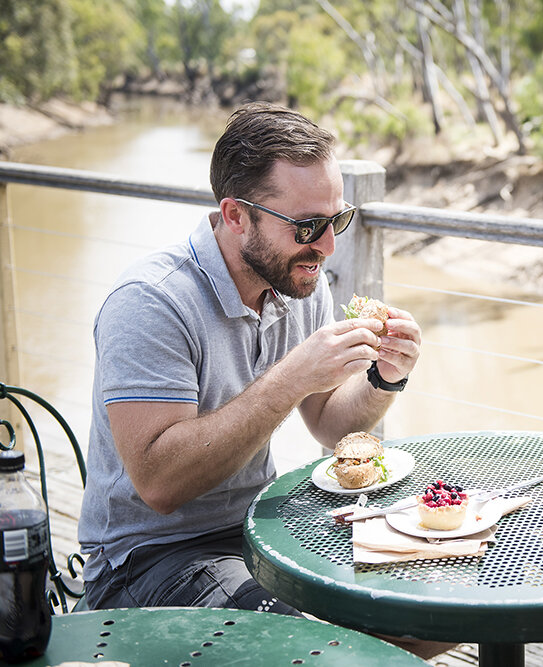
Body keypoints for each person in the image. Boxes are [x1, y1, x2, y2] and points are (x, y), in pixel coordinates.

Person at [78, 102, 421, 622]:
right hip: (146, 561)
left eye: (338, 219)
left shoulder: (301, 283)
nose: (327, 246)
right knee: (308, 638)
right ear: (237, 216)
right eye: (307, 226)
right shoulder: (151, 302)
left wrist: (383, 377)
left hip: (258, 527)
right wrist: (291, 377)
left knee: (416, 597)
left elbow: (330, 426)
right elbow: (159, 485)